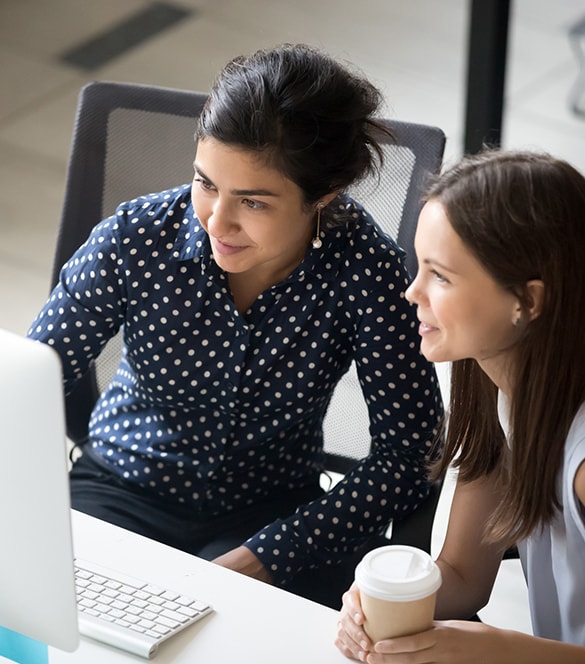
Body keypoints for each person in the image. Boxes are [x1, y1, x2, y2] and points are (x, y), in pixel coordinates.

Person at [27, 43, 443, 602]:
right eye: (206, 183)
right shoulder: (135, 239)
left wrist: (275, 552)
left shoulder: (367, 272)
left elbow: (411, 451)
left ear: (323, 195)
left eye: (253, 202)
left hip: (271, 513)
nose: (216, 222)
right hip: (120, 486)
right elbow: (28, 385)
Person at [335, 149, 585, 661]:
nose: (411, 292)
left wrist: (503, 650)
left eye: (441, 276)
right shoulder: (501, 390)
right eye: (419, 267)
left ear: (528, 301)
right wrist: (379, 606)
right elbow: (465, 578)